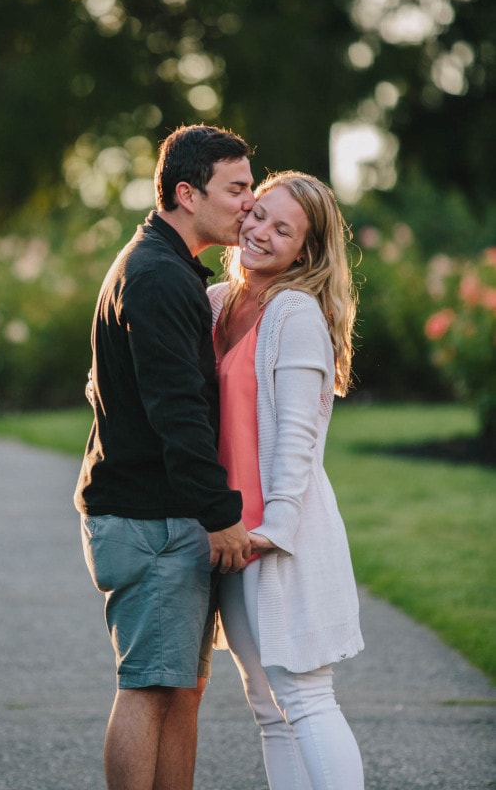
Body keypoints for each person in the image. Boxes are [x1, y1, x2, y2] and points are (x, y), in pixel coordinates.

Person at [74, 123, 255, 790]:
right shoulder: (155, 276)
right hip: (148, 519)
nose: (249, 203)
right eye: (235, 188)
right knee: (149, 688)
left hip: (156, 515)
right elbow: (174, 410)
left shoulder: (162, 265)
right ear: (187, 192)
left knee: (180, 690)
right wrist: (218, 513)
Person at [208, 170, 365, 790]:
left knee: (305, 698)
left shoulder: (295, 312)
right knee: (268, 709)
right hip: (229, 536)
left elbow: (299, 438)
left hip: (280, 536)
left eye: (283, 229)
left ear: (306, 251)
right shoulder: (219, 302)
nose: (260, 232)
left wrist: (275, 528)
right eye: (258, 214)